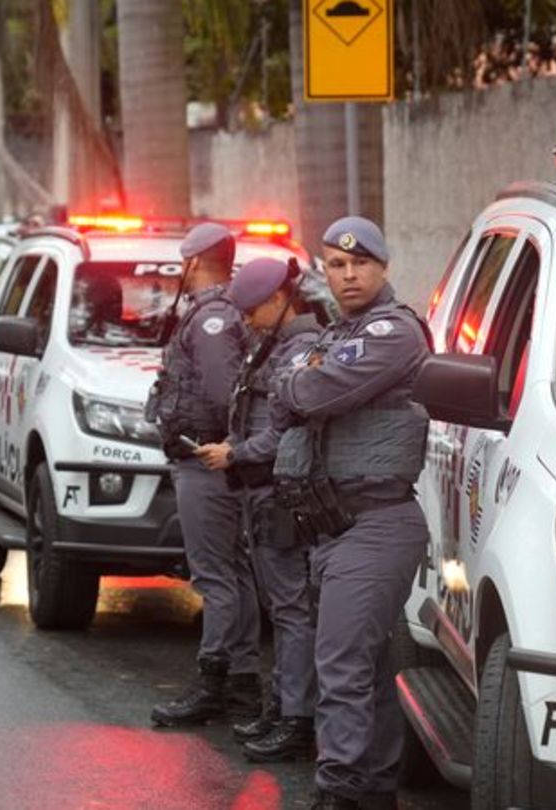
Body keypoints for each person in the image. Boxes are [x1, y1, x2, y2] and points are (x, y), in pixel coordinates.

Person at [271, 217, 431, 810]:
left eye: (360, 263)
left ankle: (338, 792)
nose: (348, 275)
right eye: (336, 266)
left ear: (383, 267)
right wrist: (299, 383)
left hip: (376, 521)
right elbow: (283, 395)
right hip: (334, 528)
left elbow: (309, 395)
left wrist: (301, 383)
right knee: (364, 664)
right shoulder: (335, 333)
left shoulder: (393, 332)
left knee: (338, 666)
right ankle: (374, 788)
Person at [195, 257, 322, 763]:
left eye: (251, 310)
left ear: (279, 299)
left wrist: (236, 452)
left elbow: (287, 428)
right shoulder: (276, 345)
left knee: (292, 610)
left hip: (281, 492)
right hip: (264, 490)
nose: (245, 320)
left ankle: (298, 719)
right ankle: (283, 706)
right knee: (283, 608)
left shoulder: (300, 349)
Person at [147, 223, 261, 727]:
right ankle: (241, 683)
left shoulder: (212, 318)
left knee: (216, 578)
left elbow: (224, 393)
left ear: (195, 261)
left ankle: (216, 682)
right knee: (233, 575)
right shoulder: (222, 311)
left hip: (207, 463)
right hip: (215, 462)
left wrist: (229, 449)